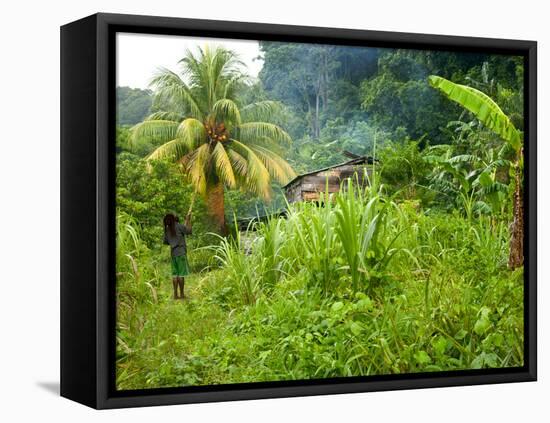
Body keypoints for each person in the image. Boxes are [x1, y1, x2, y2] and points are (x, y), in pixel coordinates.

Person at [163, 212, 192, 300]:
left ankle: (175, 295)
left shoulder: (167, 229)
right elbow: (189, 231)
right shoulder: (179, 226)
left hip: (173, 254)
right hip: (181, 253)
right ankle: (182, 295)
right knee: (181, 274)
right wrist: (188, 220)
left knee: (175, 275)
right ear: (176, 220)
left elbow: (166, 242)